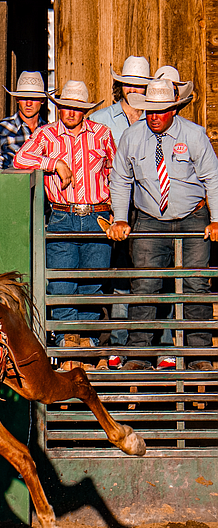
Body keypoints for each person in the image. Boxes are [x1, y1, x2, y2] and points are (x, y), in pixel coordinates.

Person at [107, 78, 218, 371]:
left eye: (161, 110)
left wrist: (217, 219)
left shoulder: (194, 135)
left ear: (174, 109)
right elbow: (120, 178)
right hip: (149, 220)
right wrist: (120, 217)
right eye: (149, 110)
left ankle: (199, 355)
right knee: (145, 286)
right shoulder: (132, 137)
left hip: (193, 219)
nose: (154, 116)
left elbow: (213, 177)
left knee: (195, 286)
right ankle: (139, 355)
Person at [13, 80, 116, 370]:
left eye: (77, 107)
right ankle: (68, 342)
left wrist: (117, 213)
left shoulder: (102, 134)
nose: (70, 111)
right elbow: (21, 158)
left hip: (98, 213)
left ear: (85, 111)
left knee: (93, 282)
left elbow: (116, 170)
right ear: (59, 107)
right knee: (62, 280)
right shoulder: (47, 134)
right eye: (66, 106)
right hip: (62, 212)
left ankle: (87, 341)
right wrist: (54, 163)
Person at [90, 56, 152, 368]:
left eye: (141, 83)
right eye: (129, 83)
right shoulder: (101, 119)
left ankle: (148, 345)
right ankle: (117, 343)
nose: (135, 88)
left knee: (145, 273)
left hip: (148, 207)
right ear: (121, 85)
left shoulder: (156, 118)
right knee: (115, 273)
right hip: (111, 206)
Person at [0, 71, 47, 224]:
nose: (28, 103)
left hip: (44, 210)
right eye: (23, 97)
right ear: (17, 100)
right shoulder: (0, 130)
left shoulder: (50, 132)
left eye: (33, 98)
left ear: (42, 100)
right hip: (8, 207)